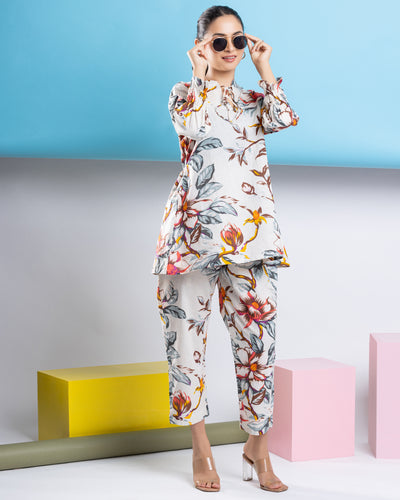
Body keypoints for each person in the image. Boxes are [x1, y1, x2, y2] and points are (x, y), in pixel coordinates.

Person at [152, 4, 299, 493]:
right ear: (202, 47)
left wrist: (264, 66)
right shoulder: (184, 93)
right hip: (190, 238)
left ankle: (258, 446)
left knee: (259, 345)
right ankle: (201, 449)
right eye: (220, 41)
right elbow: (192, 127)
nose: (231, 49)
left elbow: (285, 118)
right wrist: (199, 74)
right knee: (186, 346)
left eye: (239, 39)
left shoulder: (255, 100)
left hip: (252, 240)